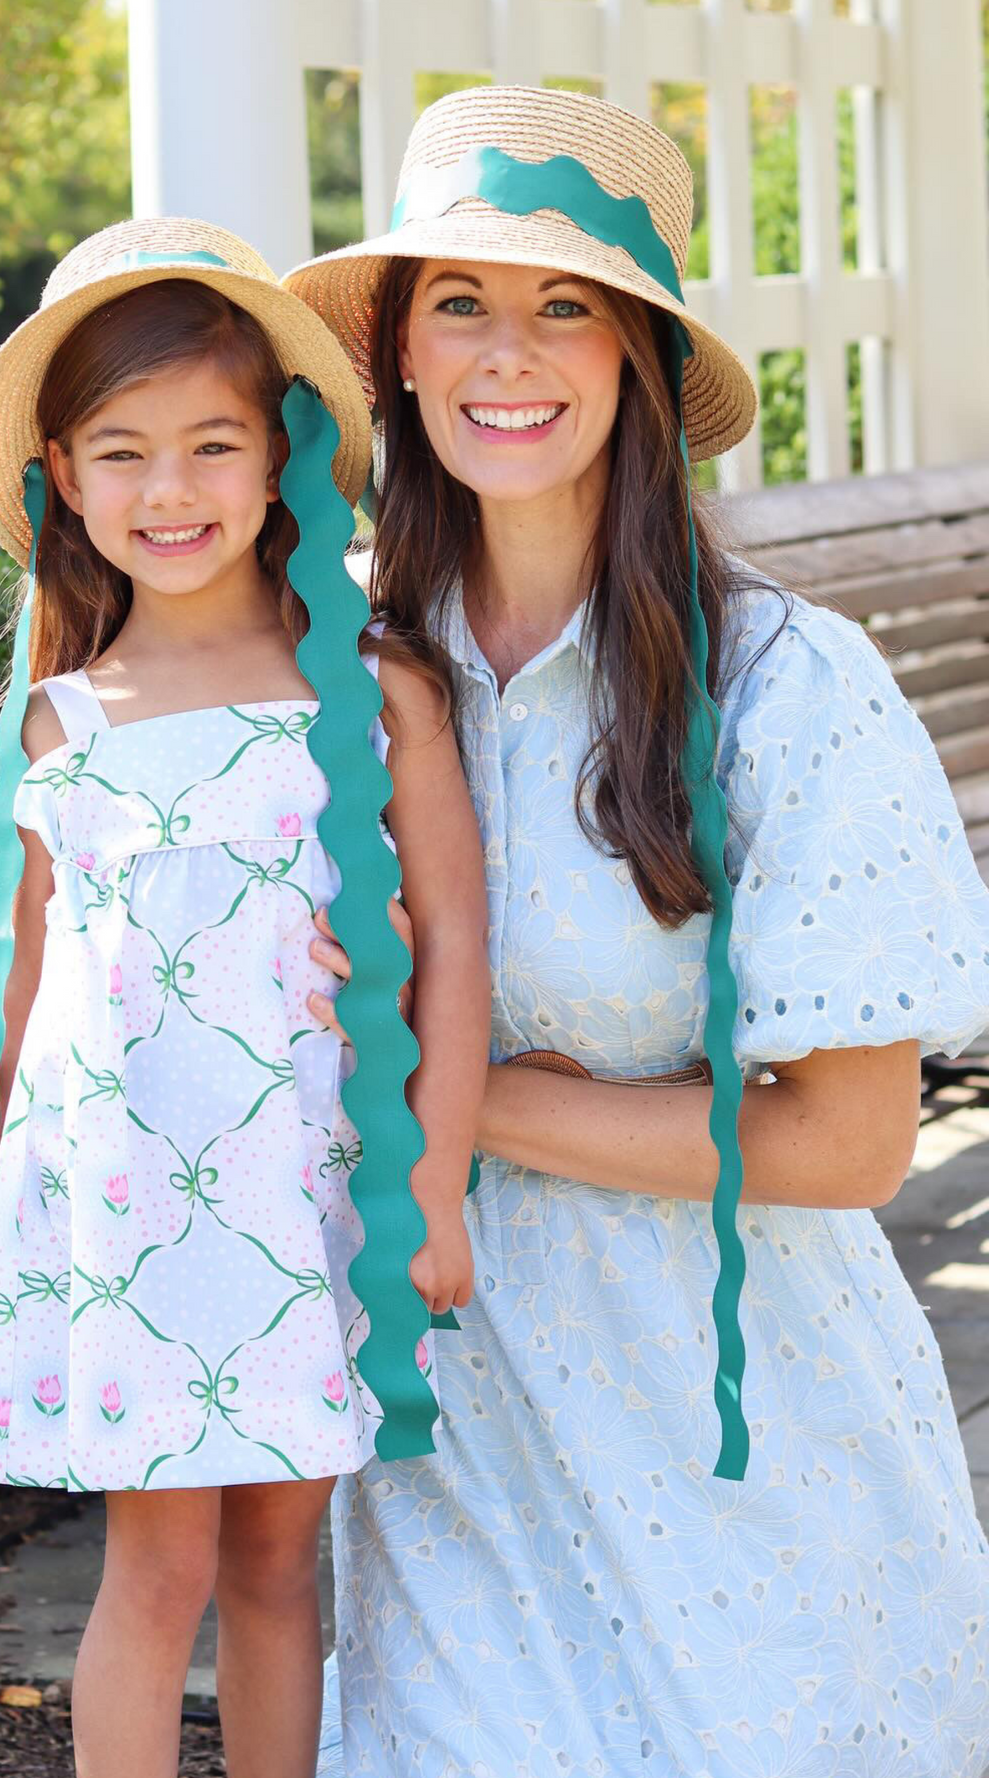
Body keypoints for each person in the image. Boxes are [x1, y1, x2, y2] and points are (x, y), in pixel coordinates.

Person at [285, 85, 989, 1775]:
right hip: (445, 1443)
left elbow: (848, 1141)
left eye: (564, 306)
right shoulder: (334, 687)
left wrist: (450, 1085)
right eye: (459, 301)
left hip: (743, 1458)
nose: (504, 354)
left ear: (638, 362)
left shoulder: (787, 688)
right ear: (397, 356)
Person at [0, 217, 489, 1778]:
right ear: (64, 477)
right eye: (124, 451)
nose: (170, 489)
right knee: (157, 1569)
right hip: (131, 1214)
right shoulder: (62, 720)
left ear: (281, 454)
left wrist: (441, 1179)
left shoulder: (370, 692)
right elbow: (32, 973)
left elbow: (458, 947)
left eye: (214, 444)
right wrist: (11, 1205)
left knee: (283, 1564)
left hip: (306, 1194)